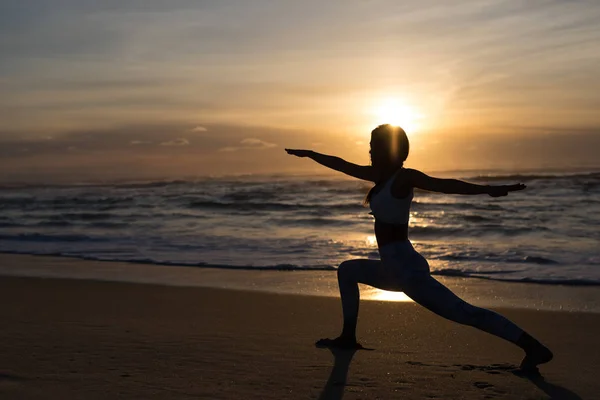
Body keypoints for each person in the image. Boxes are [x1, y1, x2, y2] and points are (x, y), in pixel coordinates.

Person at [285, 124, 553, 372]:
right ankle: (347, 337)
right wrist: (310, 154)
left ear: (388, 149)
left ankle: (532, 346)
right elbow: (341, 165)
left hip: (406, 270)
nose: (368, 150)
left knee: (464, 313)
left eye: (373, 145)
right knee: (347, 271)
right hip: (393, 269)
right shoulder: (379, 177)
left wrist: (487, 190)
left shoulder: (404, 178)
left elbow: (444, 185)